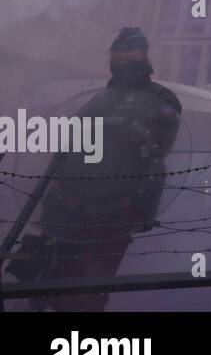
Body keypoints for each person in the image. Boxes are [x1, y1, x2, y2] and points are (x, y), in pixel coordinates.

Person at [17, 29, 182, 311]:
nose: (120, 64)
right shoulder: (102, 98)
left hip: (115, 208)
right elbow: (72, 143)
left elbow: (154, 152)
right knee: (44, 275)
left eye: (127, 58)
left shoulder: (162, 99)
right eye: (116, 58)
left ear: (143, 58)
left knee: (88, 288)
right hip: (68, 204)